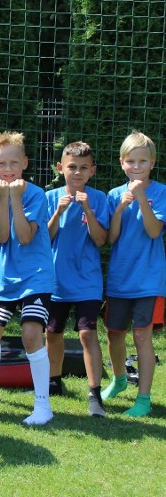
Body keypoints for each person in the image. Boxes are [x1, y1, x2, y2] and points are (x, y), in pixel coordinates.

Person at [0, 132, 55, 426]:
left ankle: (43, 405)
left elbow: (26, 236)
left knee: (32, 334)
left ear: (25, 163)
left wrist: (15, 198)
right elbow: (2, 236)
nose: (8, 169)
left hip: (37, 277)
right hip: (5, 279)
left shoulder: (37, 195)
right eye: (2, 163)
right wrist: (4, 200)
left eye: (14, 163)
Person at [102, 131, 165, 417]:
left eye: (142, 161)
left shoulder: (161, 193)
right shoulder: (114, 194)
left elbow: (154, 231)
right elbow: (111, 238)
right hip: (119, 280)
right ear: (122, 163)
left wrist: (140, 198)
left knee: (142, 337)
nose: (137, 166)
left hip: (148, 281)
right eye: (131, 161)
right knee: (114, 335)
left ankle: (143, 400)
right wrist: (120, 208)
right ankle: (118, 381)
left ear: (152, 162)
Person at [45, 141, 109, 417]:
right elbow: (43, 240)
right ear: (61, 168)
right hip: (56, 280)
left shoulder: (99, 198)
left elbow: (101, 239)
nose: (77, 173)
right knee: (53, 332)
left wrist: (88, 211)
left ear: (92, 171)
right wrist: (59, 212)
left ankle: (94, 393)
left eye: (84, 168)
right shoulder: (50, 198)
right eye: (72, 167)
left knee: (87, 332)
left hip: (88, 281)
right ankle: (53, 382)